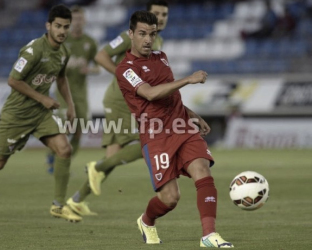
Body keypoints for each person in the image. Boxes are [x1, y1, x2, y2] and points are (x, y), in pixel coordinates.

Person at [0, 4, 82, 223]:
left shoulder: (64, 52)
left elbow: (61, 78)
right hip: (17, 115)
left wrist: (71, 105)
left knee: (64, 149)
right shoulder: (33, 50)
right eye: (58, 26)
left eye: (66, 27)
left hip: (40, 115)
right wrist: (42, 98)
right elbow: (13, 80)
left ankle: (58, 206)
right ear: (48, 26)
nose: (62, 31)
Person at [116, 11, 234, 248]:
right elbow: (150, 93)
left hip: (181, 126)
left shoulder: (162, 57)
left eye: (152, 34)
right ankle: (147, 221)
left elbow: (170, 96)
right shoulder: (126, 69)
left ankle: (209, 235)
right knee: (170, 198)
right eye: (142, 34)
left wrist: (193, 115)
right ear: (131, 34)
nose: (148, 39)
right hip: (155, 134)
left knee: (202, 170)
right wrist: (188, 79)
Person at [66, 0, 170, 216]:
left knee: (113, 156)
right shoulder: (129, 35)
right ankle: (97, 168)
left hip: (132, 101)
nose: (160, 18)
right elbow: (100, 56)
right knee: (148, 142)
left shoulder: (156, 39)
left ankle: (76, 200)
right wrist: (124, 76)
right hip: (121, 100)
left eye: (164, 14)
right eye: (156, 13)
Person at [46, 5, 99, 174]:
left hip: (81, 95)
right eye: (74, 20)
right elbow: (49, 64)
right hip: (63, 94)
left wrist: (89, 69)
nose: (78, 23)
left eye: (80, 19)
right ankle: (53, 157)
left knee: (78, 131)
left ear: (84, 21)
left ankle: (64, 161)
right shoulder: (62, 40)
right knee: (64, 128)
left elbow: (98, 66)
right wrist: (65, 64)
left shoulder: (90, 42)